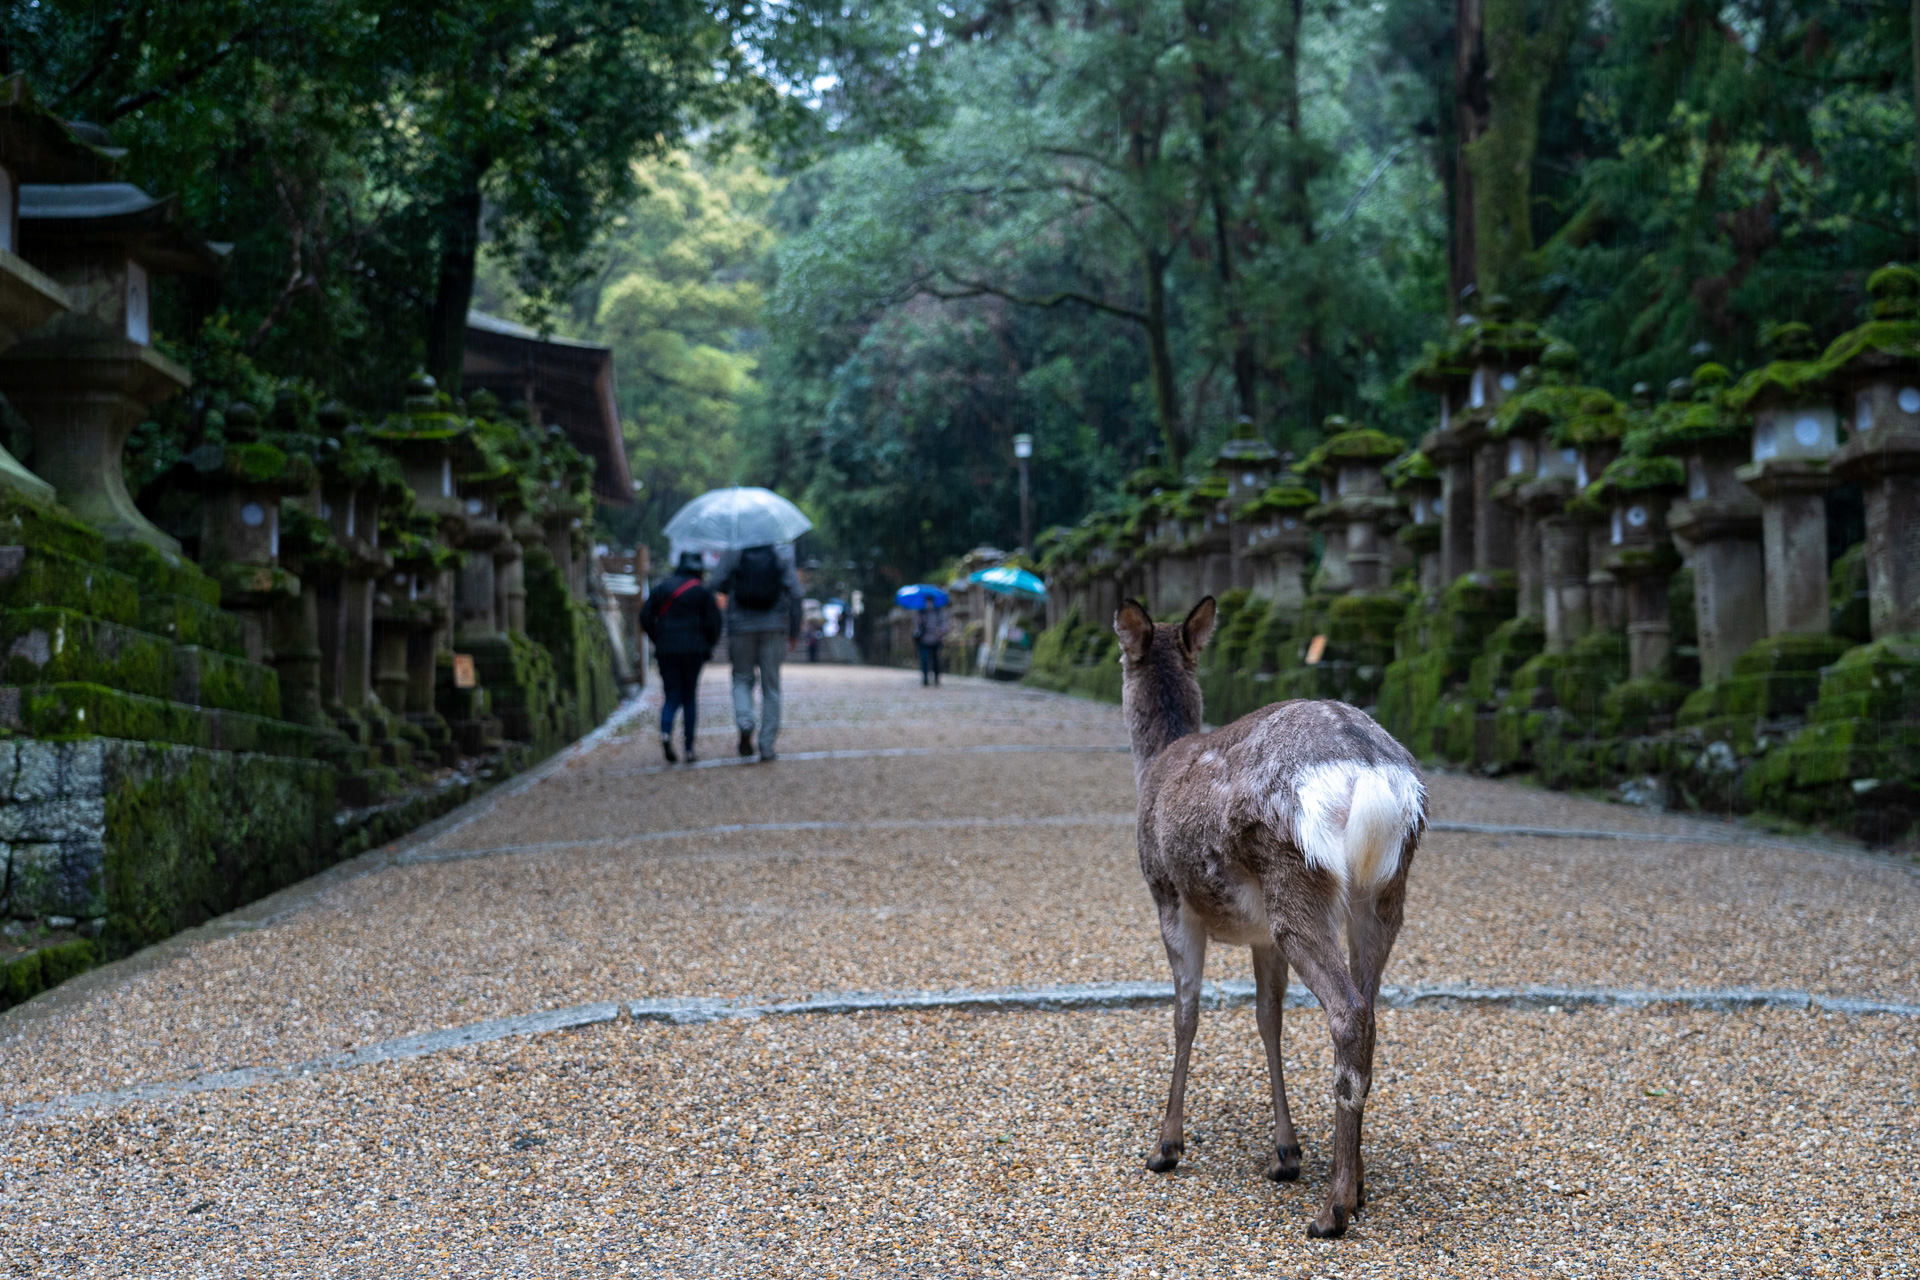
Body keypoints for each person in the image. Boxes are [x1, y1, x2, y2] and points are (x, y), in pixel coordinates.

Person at [714, 541, 803, 761]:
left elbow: (715, 582)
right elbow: (797, 593)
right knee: (771, 686)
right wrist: (794, 630)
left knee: (742, 678)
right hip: (774, 626)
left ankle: (745, 721)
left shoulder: (733, 550)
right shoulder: (781, 553)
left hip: (740, 625)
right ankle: (766, 746)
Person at [639, 550, 723, 763]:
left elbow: (645, 616)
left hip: (667, 650)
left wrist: (658, 638)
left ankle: (666, 734)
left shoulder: (662, 588)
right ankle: (688, 748)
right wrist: (708, 644)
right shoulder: (702, 592)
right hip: (694, 650)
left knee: (671, 695)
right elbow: (714, 622)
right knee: (689, 696)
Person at [913, 604, 948, 686]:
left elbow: (945, 624)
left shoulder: (939, 612)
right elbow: (915, 627)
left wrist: (941, 630)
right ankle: (925, 678)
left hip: (935, 640)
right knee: (924, 660)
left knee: (935, 660)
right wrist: (920, 623)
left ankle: (936, 677)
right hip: (924, 640)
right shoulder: (920, 612)